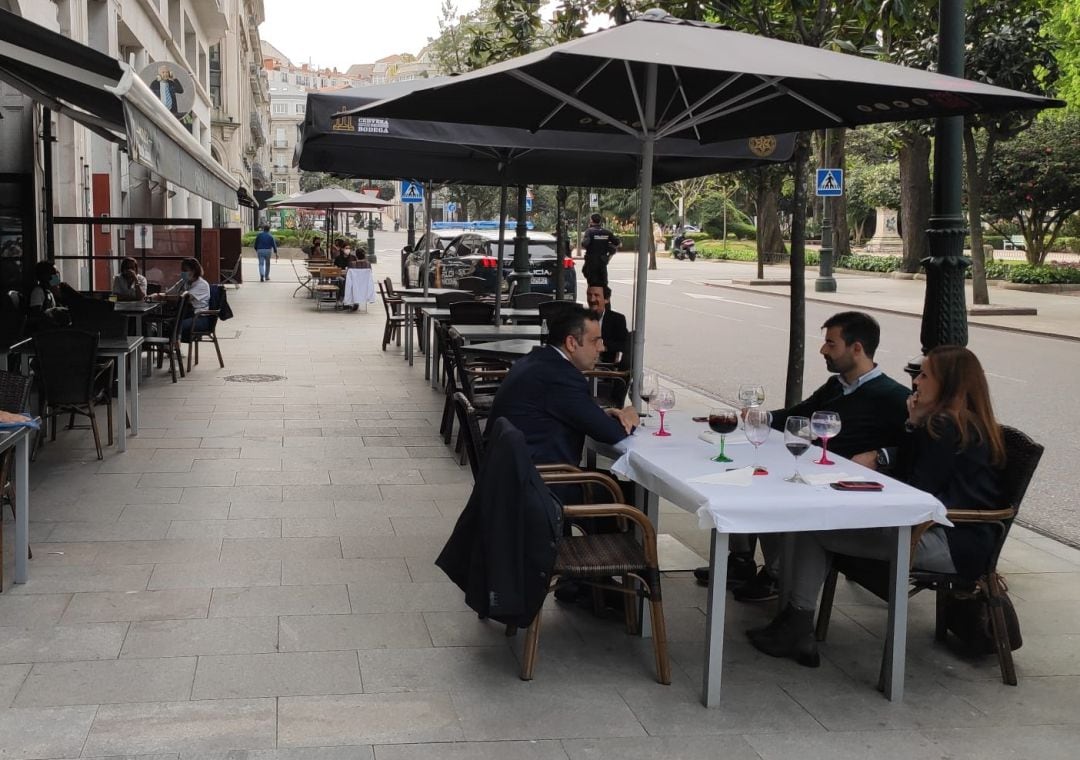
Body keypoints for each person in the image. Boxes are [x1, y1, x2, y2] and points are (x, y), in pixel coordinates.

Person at [748, 345, 1008, 667]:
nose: (916, 383)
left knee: (812, 529)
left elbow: (917, 489)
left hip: (944, 538)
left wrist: (914, 424)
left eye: (925, 376)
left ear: (948, 383)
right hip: (953, 533)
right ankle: (794, 622)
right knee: (815, 523)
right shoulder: (959, 422)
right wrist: (913, 425)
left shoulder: (943, 426)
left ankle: (796, 627)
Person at [695, 311, 911, 599]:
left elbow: (915, 445)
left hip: (843, 487)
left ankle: (776, 574)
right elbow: (800, 414)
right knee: (749, 474)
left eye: (831, 344)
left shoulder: (892, 396)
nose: (823, 350)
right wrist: (762, 418)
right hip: (815, 471)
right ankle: (741, 559)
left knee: (770, 493)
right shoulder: (838, 385)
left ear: (857, 348)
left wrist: (881, 455)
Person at [487, 304, 638, 469]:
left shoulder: (537, 360)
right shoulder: (561, 376)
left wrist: (599, 414)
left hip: (511, 474)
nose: (601, 348)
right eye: (595, 341)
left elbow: (562, 410)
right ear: (571, 343)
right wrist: (630, 414)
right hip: (541, 484)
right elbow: (611, 433)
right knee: (630, 492)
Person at [151, 257, 211, 342]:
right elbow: (168, 293)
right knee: (163, 324)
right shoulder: (184, 282)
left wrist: (163, 297)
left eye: (185, 270)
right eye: (182, 270)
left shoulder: (202, 285)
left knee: (174, 326)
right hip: (184, 315)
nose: (183, 273)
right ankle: (167, 348)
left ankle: (174, 347)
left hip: (198, 317)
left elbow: (184, 298)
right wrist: (155, 295)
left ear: (194, 271)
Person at [585, 284, 628, 365]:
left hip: (606, 368)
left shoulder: (617, 319)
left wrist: (604, 345)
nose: (592, 299)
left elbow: (624, 344)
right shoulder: (580, 317)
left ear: (606, 299)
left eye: (596, 295)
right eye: (589, 295)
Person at [580, 213, 619, 287]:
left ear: (591, 221)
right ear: (600, 221)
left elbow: (585, 244)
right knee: (603, 283)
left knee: (592, 283)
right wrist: (609, 249)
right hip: (602, 261)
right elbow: (617, 242)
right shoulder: (607, 232)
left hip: (591, 262)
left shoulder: (589, 231)